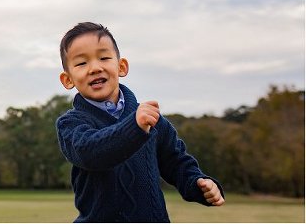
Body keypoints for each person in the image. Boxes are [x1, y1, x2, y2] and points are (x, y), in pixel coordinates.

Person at [55, 22, 225, 222]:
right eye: (82, 63)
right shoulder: (71, 124)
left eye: (104, 58)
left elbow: (175, 161)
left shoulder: (151, 119)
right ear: (68, 80)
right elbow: (89, 151)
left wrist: (197, 183)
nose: (95, 68)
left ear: (121, 67)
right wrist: (134, 127)